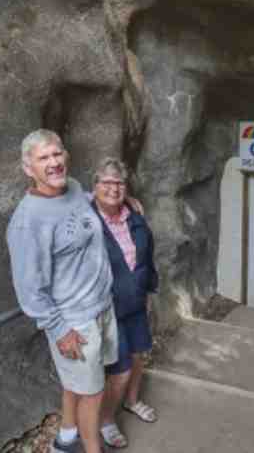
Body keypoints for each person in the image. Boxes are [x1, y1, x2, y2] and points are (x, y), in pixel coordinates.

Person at [7, 129, 134, 453]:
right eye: (43, 158)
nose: (54, 162)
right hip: (75, 322)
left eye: (57, 153)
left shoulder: (75, 188)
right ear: (28, 168)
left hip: (102, 306)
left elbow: (82, 213)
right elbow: (30, 290)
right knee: (92, 392)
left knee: (80, 382)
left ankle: (64, 439)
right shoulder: (28, 222)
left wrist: (120, 200)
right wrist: (60, 330)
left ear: (66, 155)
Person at [90, 157, 159, 449]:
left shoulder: (134, 215)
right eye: (106, 182)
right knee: (120, 371)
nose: (114, 188)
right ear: (95, 187)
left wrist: (147, 292)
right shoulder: (87, 219)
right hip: (107, 309)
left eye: (119, 183)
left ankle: (131, 401)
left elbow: (146, 256)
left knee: (139, 356)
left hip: (136, 300)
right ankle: (106, 419)